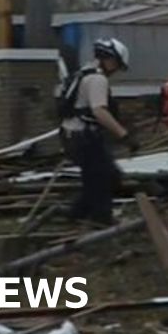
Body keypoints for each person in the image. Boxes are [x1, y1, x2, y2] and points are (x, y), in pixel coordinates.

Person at [60, 37, 138, 225]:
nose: (116, 70)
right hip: (85, 137)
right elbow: (99, 111)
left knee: (97, 179)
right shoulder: (97, 79)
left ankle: (75, 215)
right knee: (104, 179)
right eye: (117, 65)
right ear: (109, 59)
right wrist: (124, 135)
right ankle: (102, 220)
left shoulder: (83, 73)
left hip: (74, 136)